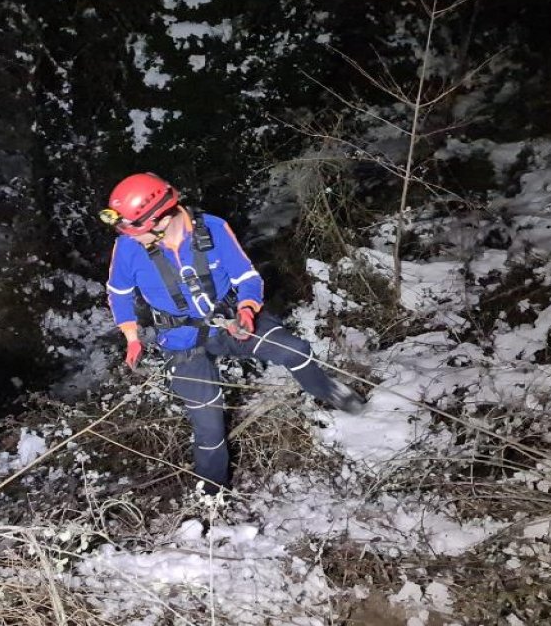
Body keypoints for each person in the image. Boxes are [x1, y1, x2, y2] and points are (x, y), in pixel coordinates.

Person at [102, 172, 366, 495]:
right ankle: (214, 497)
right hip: (181, 340)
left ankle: (329, 391)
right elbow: (119, 292)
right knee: (209, 427)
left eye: (137, 230)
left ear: (161, 217)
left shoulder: (212, 229)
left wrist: (246, 310)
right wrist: (130, 336)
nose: (132, 237)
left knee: (293, 350)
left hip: (230, 322)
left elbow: (247, 276)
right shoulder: (127, 247)